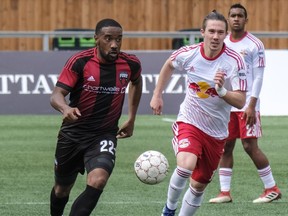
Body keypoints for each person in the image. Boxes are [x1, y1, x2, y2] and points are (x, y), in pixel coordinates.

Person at [150, 10, 247, 216]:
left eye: (220, 32)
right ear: (202, 32)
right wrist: (157, 95)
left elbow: (240, 101)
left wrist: (222, 91)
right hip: (190, 121)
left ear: (226, 35)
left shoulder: (234, 61)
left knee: (198, 186)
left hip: (216, 132)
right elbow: (169, 64)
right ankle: (168, 210)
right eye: (211, 31)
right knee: (185, 166)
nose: (215, 36)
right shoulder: (188, 53)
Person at [49, 18, 142, 216]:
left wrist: (131, 118)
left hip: (104, 134)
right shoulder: (80, 61)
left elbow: (137, 82)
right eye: (108, 39)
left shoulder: (130, 64)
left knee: (98, 180)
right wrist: (65, 109)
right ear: (96, 39)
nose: (115, 44)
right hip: (73, 134)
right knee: (61, 189)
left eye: (119, 39)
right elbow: (56, 95)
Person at [209, 3, 282, 204]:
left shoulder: (254, 44)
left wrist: (251, 105)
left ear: (245, 20)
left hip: (247, 103)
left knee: (249, 146)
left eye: (240, 15)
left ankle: (272, 188)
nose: (236, 19)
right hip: (228, 103)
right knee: (226, 146)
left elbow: (258, 77)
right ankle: (225, 193)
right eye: (232, 15)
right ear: (228, 19)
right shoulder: (223, 43)